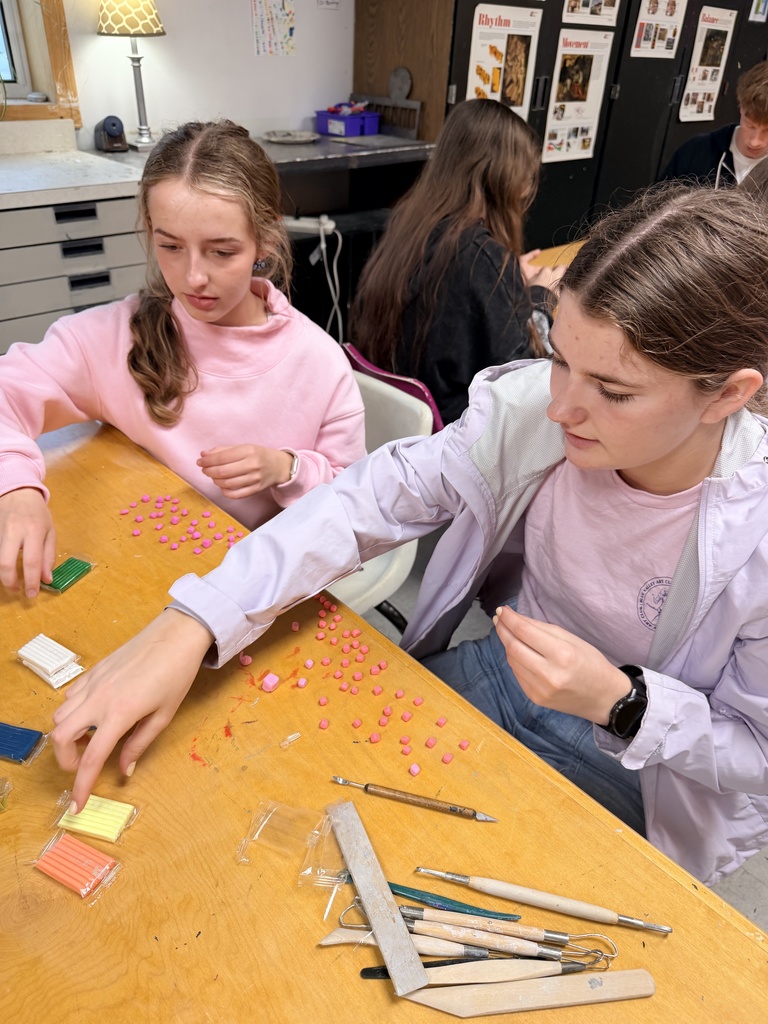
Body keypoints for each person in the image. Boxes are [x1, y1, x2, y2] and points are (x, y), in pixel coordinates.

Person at [50, 184, 768, 887]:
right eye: (558, 356)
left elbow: (756, 751)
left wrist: (622, 702)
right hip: (501, 670)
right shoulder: (526, 410)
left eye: (614, 391)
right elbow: (365, 500)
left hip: (644, 764)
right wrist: (195, 621)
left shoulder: (755, 530)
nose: (561, 407)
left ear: (729, 394)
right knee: (288, 807)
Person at [0, 120, 365, 598]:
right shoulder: (114, 336)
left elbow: (355, 512)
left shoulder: (319, 365)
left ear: (265, 242)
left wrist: (290, 469)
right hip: (140, 566)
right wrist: (16, 488)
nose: (193, 277)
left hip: (254, 588)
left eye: (221, 252)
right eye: (170, 246)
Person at [348, 99, 564, 424]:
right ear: (510, 180)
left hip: (396, 426)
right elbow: (526, 380)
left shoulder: (410, 224)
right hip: (455, 437)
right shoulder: (482, 259)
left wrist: (504, 277)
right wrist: (540, 294)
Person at [660, 60, 768, 188]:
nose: (755, 141)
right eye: (750, 125)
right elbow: (655, 205)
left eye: (767, 130)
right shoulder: (696, 152)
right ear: (740, 108)